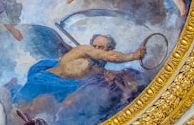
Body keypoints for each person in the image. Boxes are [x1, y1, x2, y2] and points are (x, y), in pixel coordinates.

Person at [14, 34, 147, 104]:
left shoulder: (99, 67)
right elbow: (111, 57)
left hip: (66, 89)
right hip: (45, 81)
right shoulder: (85, 50)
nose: (97, 49)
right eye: (95, 46)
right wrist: (133, 56)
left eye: (101, 47)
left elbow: (106, 74)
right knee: (19, 104)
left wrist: (114, 77)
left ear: (109, 48)